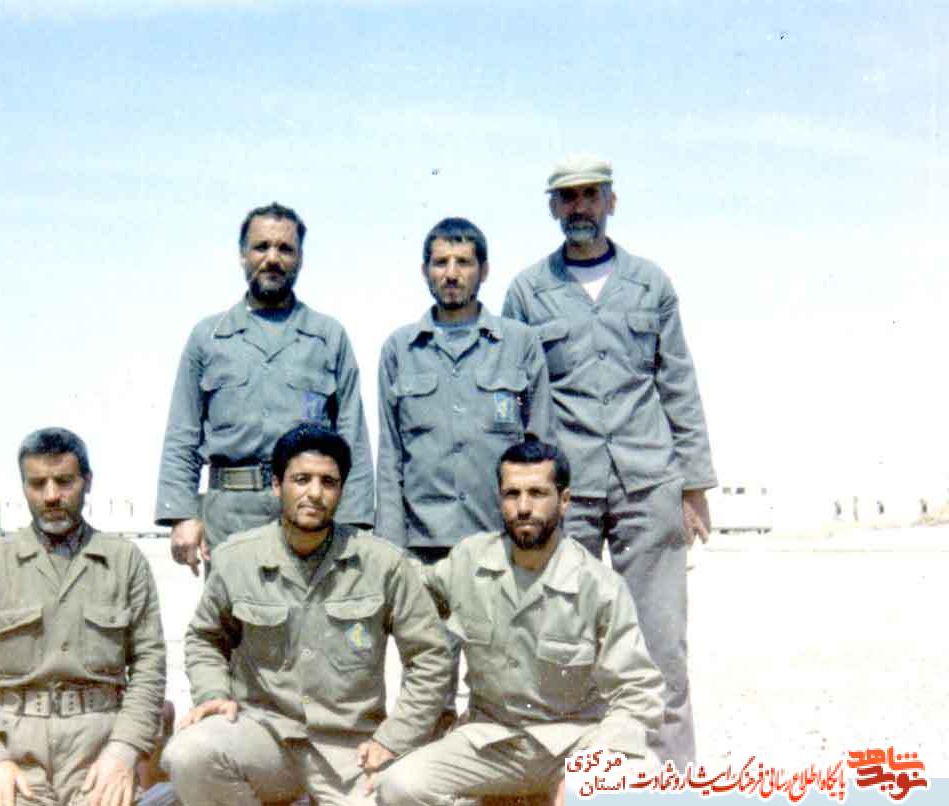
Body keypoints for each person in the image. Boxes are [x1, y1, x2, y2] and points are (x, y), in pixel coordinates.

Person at [501, 155, 716, 767]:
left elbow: (678, 382)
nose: (580, 208)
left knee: (661, 646)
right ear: (552, 208)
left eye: (591, 195)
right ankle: (563, 780)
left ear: (611, 202)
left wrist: (694, 485)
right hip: (565, 494)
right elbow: (515, 393)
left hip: (648, 483)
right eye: (568, 197)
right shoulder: (527, 292)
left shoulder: (651, 284)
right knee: (558, 643)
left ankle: (671, 780)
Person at [162, 423, 451, 805]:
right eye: (301, 479)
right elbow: (205, 637)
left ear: (341, 491)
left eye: (328, 482)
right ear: (276, 485)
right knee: (189, 753)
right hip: (264, 740)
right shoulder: (237, 559)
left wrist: (394, 738)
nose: (314, 493)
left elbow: (431, 657)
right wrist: (214, 693)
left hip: (352, 751)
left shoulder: (383, 564)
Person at [376, 435, 664, 806]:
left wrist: (590, 769)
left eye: (537, 493)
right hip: (491, 740)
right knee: (400, 785)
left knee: (640, 776)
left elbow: (637, 692)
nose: (523, 507)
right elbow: (408, 587)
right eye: (512, 494)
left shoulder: (599, 586)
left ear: (564, 500)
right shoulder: (470, 561)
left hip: (573, 743)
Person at [0, 427, 167, 806]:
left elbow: (149, 666)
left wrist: (123, 752)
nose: (51, 496)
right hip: (18, 752)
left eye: (64, 481)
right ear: (23, 486)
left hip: (100, 748)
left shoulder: (124, 562)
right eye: (37, 483)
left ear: (87, 481)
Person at [156, 202, 375, 576]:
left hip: (310, 511)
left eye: (285, 249)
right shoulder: (209, 337)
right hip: (231, 515)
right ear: (242, 255)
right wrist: (181, 515)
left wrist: (354, 523)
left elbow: (351, 435)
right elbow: (183, 432)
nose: (272, 258)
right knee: (233, 611)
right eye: (261, 247)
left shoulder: (328, 337)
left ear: (300, 258)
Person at [377, 216, 556, 557]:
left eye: (463, 262)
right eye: (440, 262)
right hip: (422, 545)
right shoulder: (400, 349)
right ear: (425, 271)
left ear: (484, 271)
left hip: (502, 539)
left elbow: (542, 446)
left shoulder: (519, 344)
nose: (451, 273)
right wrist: (389, 549)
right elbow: (390, 459)